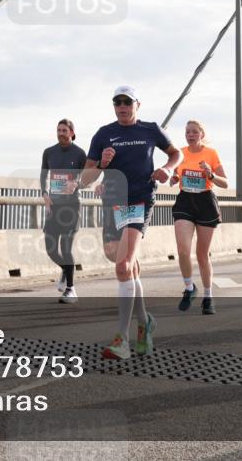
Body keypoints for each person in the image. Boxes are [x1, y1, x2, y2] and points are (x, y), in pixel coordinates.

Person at [81, 85, 182, 360]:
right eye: (117, 102)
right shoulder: (103, 134)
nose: (122, 106)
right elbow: (85, 179)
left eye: (127, 102)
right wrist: (101, 164)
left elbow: (176, 154)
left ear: (138, 104)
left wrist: (167, 169)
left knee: (123, 266)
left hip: (139, 200)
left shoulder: (151, 130)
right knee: (122, 262)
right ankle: (144, 321)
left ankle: (122, 340)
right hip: (114, 202)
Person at [169, 120, 228, 314]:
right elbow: (176, 175)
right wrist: (174, 178)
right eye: (187, 132)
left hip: (205, 202)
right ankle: (189, 288)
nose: (190, 135)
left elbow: (225, 183)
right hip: (185, 200)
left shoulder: (211, 154)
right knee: (183, 250)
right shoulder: (180, 153)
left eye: (194, 132)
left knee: (202, 255)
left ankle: (208, 296)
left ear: (202, 134)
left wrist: (210, 175)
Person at [40, 119, 86, 304]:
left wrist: (77, 183)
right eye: (58, 130)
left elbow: (88, 177)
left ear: (72, 132)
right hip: (54, 207)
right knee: (51, 250)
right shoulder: (49, 152)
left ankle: (70, 289)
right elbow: (43, 176)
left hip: (71, 207)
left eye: (64, 130)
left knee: (65, 248)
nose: (60, 133)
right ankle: (66, 271)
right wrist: (45, 194)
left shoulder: (80, 154)